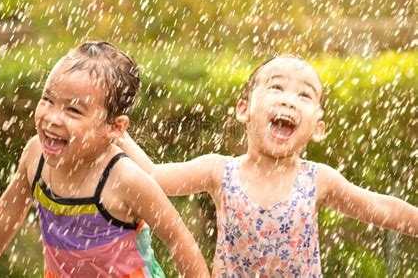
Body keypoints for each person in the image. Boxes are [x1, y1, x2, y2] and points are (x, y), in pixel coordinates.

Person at [118, 55, 418, 277]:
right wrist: (115, 131)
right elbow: (155, 176)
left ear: (318, 127)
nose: (289, 100)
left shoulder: (317, 180)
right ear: (244, 109)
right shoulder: (220, 171)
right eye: (276, 88)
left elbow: (383, 209)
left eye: (304, 95)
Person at [0, 41, 210, 278]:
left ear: (115, 127)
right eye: (48, 100)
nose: (53, 118)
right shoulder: (35, 155)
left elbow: (179, 238)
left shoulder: (123, 178)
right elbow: (9, 210)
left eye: (73, 110)